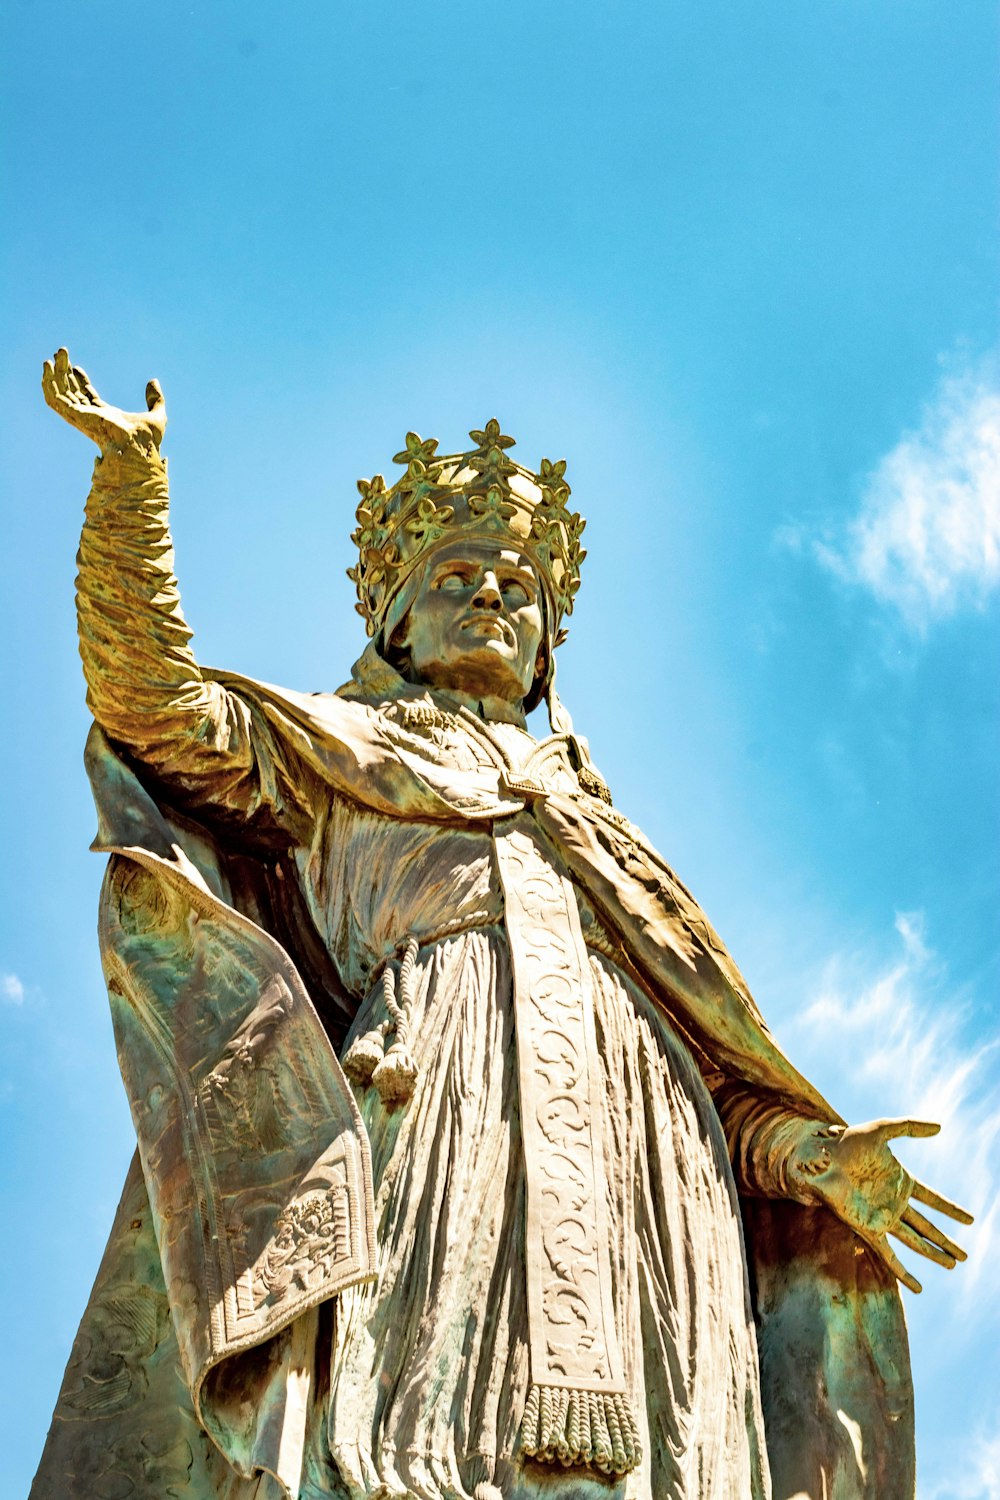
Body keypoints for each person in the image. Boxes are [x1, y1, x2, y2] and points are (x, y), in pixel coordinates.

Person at [33, 349, 970, 1500]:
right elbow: (152, 703)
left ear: (544, 646)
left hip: (650, 1169)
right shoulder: (327, 753)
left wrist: (815, 1157)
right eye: (459, 573)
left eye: (517, 585)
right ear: (396, 622)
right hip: (436, 1101)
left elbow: (727, 1090)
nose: (491, 593)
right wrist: (133, 494)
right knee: (405, 1446)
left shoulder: (611, 841)